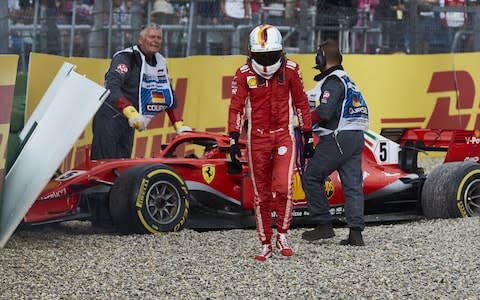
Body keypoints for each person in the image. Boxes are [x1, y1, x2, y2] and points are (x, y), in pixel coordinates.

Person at [228, 24, 314, 261]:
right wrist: (233, 137)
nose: (266, 60)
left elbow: (302, 103)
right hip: (257, 138)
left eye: (270, 54)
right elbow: (236, 106)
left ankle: (283, 235)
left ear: (280, 51)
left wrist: (308, 135)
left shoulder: (292, 70)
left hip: (284, 135)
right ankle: (265, 242)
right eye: (261, 55)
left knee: (284, 188)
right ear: (251, 52)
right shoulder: (243, 73)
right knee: (262, 195)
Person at [301, 39, 369, 246]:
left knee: (311, 177)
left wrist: (302, 120)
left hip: (337, 137)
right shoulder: (347, 79)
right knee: (353, 186)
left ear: (322, 58)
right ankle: (356, 234)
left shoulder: (332, 81)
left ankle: (323, 225)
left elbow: (324, 112)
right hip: (356, 137)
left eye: (317, 57)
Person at [91, 24, 191, 160]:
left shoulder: (160, 62)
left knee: (123, 165)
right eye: (151, 37)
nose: (155, 40)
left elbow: (168, 96)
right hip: (110, 117)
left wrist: (179, 125)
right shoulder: (126, 58)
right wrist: (130, 111)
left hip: (129, 121)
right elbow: (112, 88)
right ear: (141, 40)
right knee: (104, 165)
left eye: (159, 38)